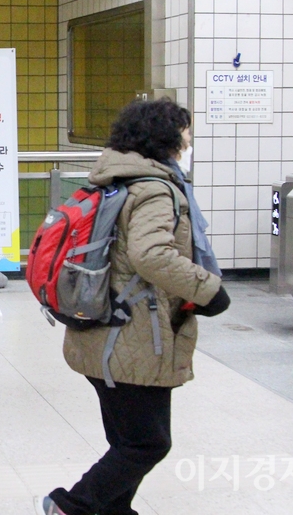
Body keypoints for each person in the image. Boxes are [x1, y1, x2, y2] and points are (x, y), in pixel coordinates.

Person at [36, 99, 230, 515]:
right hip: (134, 335)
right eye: (186, 133)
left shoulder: (115, 180)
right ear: (167, 138)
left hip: (102, 328)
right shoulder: (155, 189)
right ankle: (71, 506)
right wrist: (209, 289)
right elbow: (151, 255)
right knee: (147, 443)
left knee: (128, 442)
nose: (190, 141)